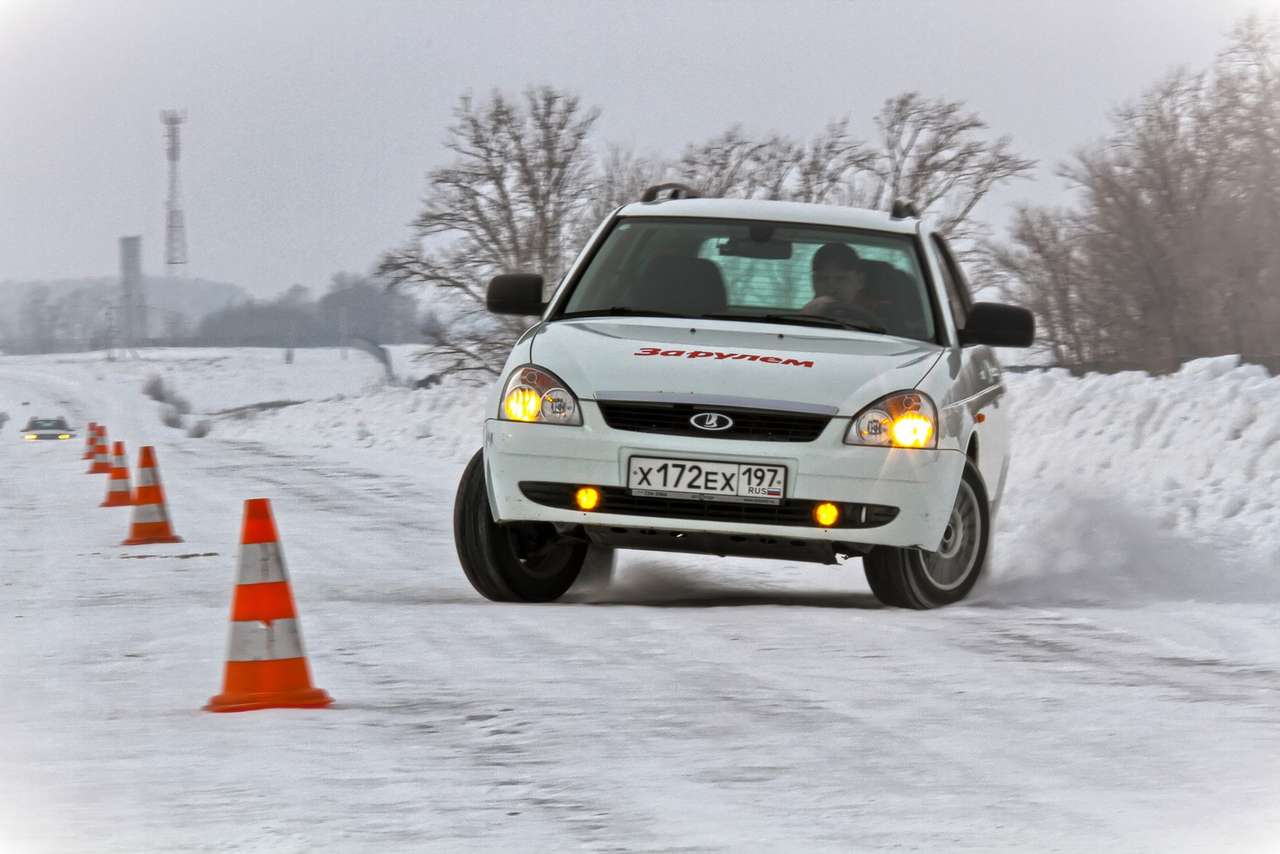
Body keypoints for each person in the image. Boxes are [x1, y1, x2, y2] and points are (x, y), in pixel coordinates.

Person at [802, 243, 883, 329]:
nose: (831, 289)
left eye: (841, 279)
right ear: (813, 282)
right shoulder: (807, 314)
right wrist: (806, 319)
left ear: (860, 281)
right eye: (823, 279)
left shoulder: (880, 312)